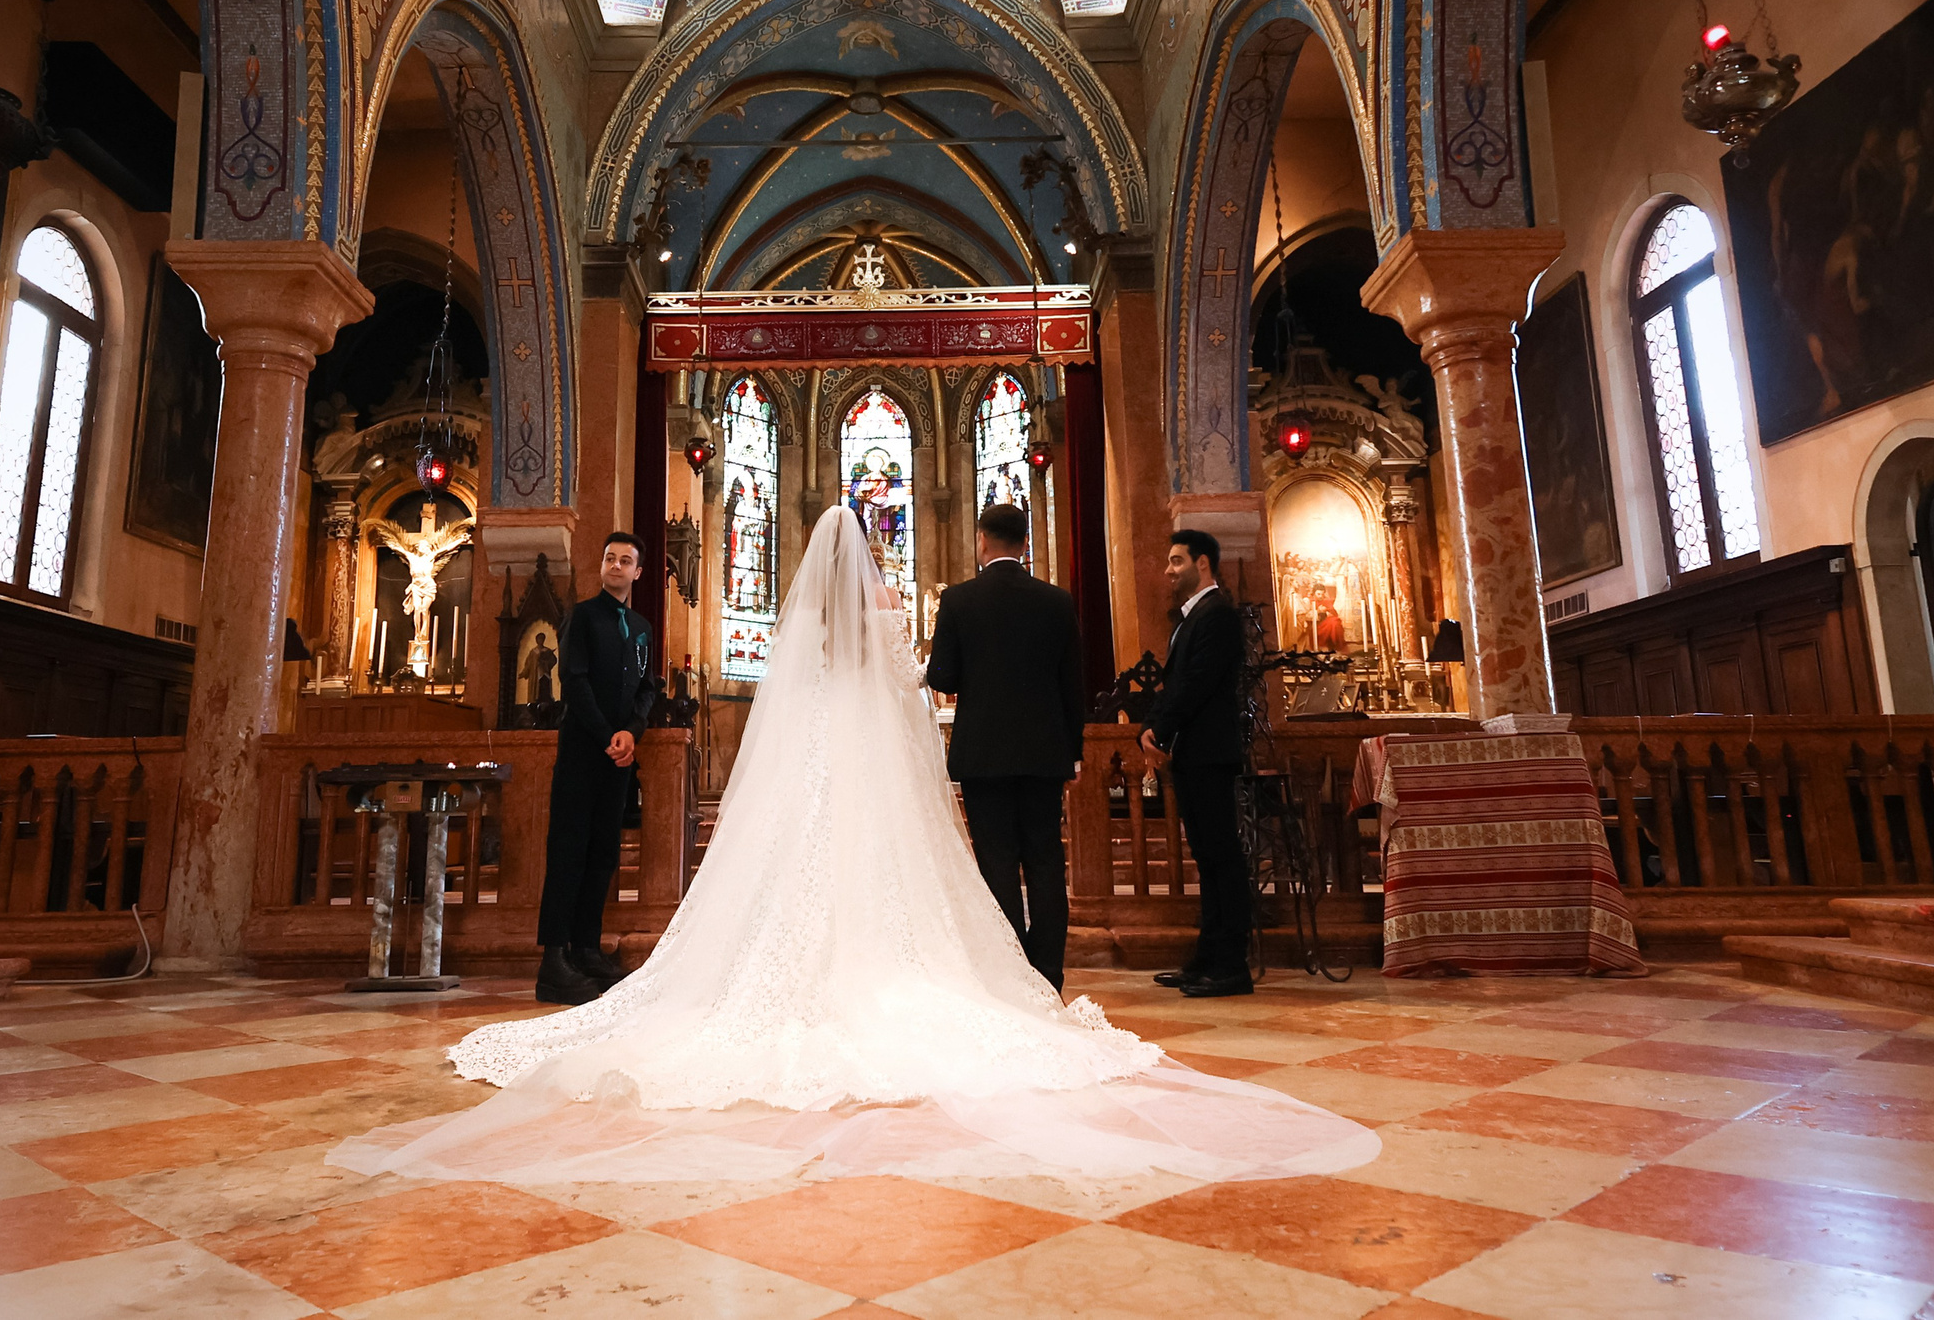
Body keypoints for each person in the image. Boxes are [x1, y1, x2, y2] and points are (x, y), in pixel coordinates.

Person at [330, 506, 1379, 1187]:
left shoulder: (826, 638)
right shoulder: (922, 614)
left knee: (792, 862)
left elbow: (938, 683)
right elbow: (924, 688)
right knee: (963, 873)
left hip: (827, 762)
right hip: (941, 758)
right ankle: (1025, 971)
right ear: (870, 569)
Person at [924, 501, 1084, 987]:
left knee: (996, 859)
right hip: (1044, 753)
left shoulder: (959, 601)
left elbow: (943, 675)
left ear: (981, 541)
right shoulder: (1057, 601)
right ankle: (1049, 972)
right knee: (1044, 857)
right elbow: (1071, 684)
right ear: (1025, 543)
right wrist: (1072, 750)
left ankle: (1013, 973)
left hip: (984, 754)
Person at [532, 532, 657, 1005]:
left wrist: (633, 731)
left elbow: (647, 687)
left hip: (621, 753)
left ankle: (586, 948)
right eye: (610, 558)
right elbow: (575, 682)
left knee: (604, 850)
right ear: (602, 566)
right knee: (569, 850)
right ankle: (553, 960)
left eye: (626, 560)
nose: (617, 566)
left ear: (638, 572)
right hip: (585, 749)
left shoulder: (643, 627)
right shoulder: (582, 617)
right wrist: (608, 734)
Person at [1136, 529, 1255, 998]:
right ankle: (1207, 959)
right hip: (1194, 753)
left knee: (1221, 858)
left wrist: (1158, 729)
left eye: (1177, 561)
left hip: (1209, 752)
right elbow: (1179, 683)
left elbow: (1198, 682)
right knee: (1208, 859)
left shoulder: (1218, 615)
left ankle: (1230, 966)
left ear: (1203, 564)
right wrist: (1154, 724)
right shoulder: (1192, 616)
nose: (1168, 570)